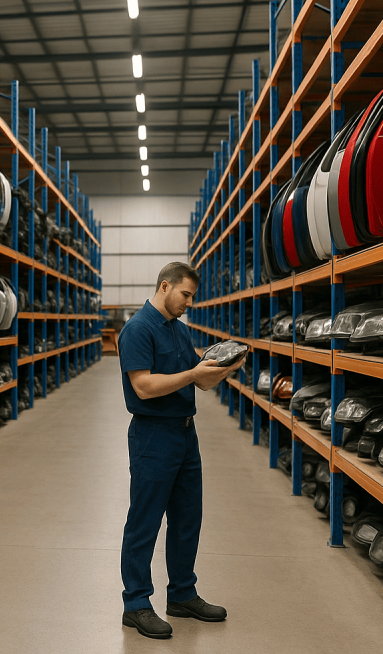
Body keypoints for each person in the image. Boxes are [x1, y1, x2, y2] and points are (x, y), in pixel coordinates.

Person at [118, 262, 245, 639]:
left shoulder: (179, 330)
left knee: (188, 517)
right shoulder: (136, 331)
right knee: (145, 521)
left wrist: (222, 366)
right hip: (153, 436)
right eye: (185, 295)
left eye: (192, 296)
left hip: (185, 435)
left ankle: (182, 594)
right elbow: (143, 387)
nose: (189, 302)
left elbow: (199, 383)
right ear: (164, 286)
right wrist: (193, 374)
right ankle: (136, 603)